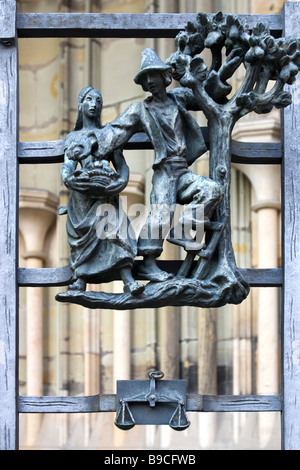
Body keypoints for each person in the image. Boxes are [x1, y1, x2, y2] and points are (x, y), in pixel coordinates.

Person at [91, 49, 223, 282]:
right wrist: (93, 144)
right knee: (161, 214)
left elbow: (205, 94)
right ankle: (147, 264)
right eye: (145, 79)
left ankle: (182, 232)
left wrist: (217, 67)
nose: (150, 82)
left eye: (153, 76)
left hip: (182, 170)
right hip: (164, 171)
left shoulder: (178, 98)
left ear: (164, 77)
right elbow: (117, 131)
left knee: (211, 190)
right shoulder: (140, 110)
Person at [61, 86, 144, 295]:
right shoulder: (73, 138)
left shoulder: (108, 134)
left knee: (117, 232)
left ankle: (128, 279)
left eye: (98, 100)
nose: (94, 104)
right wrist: (69, 178)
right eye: (89, 99)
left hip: (106, 192)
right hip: (82, 197)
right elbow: (69, 166)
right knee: (81, 240)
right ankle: (81, 278)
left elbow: (121, 166)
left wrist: (121, 182)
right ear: (80, 105)